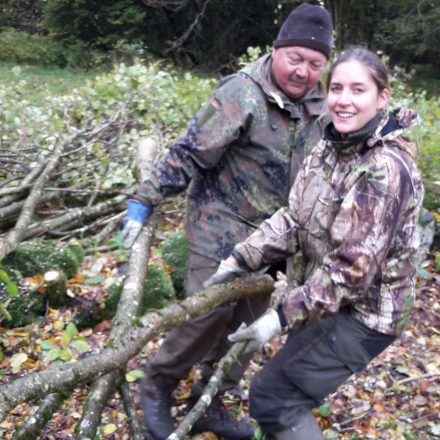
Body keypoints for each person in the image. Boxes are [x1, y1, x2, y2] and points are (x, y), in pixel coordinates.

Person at [122, 4, 333, 439]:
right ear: (277, 51)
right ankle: (157, 384)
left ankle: (211, 401)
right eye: (295, 58)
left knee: (247, 327)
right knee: (206, 315)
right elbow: (190, 151)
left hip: (275, 240)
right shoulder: (242, 93)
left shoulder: (322, 106)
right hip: (219, 227)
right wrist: (146, 198)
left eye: (315, 64)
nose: (303, 72)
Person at [205, 46, 424, 439]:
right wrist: (239, 258)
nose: (343, 100)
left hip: (365, 315)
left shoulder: (384, 170)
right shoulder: (329, 148)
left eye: (358, 90)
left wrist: (278, 317)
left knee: (274, 398)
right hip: (327, 299)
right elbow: (294, 218)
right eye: (337, 88)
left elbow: (351, 271)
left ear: (382, 97)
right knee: (284, 389)